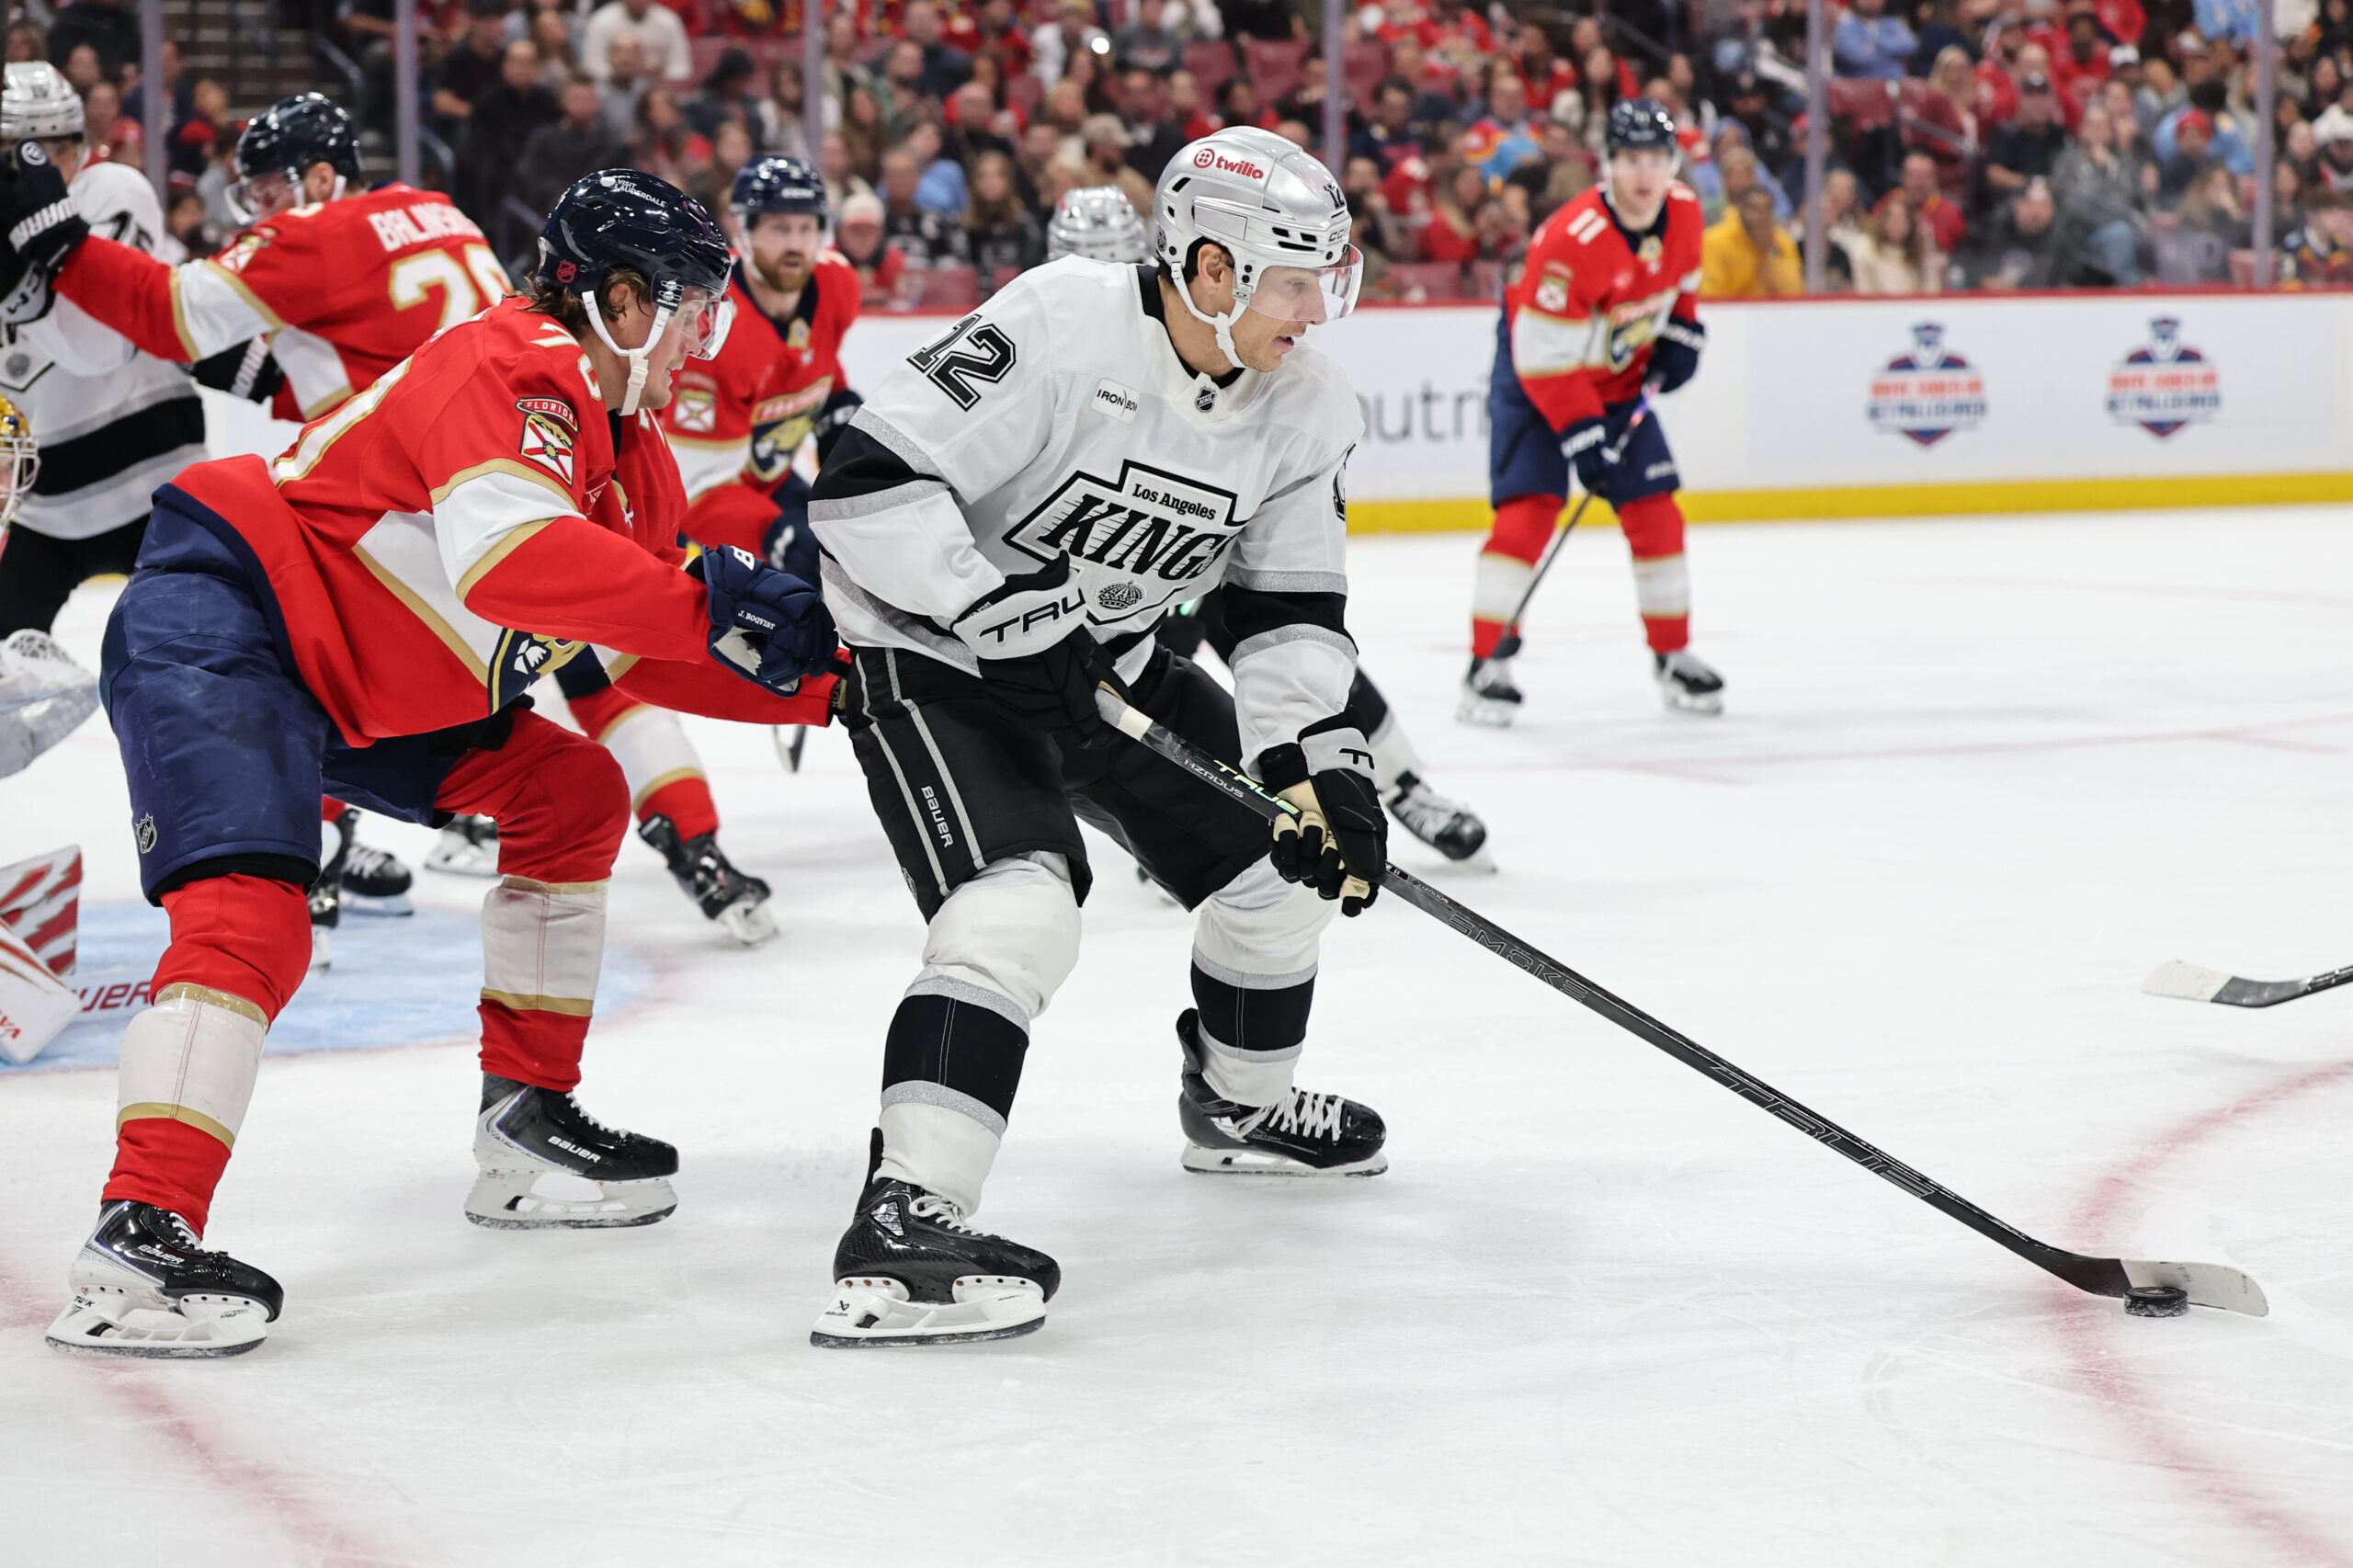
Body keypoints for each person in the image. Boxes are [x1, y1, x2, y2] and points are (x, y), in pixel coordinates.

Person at [35, 170, 840, 1358]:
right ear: (621, 300)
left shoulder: (635, 449)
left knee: (573, 790)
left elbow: (640, 643)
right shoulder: (512, 361)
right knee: (253, 920)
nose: (702, 341)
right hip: (230, 617)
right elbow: (514, 560)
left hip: (362, 676)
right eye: (691, 309)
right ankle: (135, 1236)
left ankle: (524, 1123)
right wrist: (706, 604)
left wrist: (841, 689)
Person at [801, 128, 1381, 1346]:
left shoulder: (1307, 402)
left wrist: (1319, 766)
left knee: (1281, 870)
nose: (1314, 313)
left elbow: (1284, 609)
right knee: (1021, 904)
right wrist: (992, 612)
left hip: (1106, 666)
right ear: (1211, 270)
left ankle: (1241, 1107)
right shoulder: (1066, 323)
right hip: (940, 656)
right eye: (1293, 281)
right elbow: (862, 483)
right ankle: (907, 1220)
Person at [1048, 182, 1489, 861]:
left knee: (1283, 639)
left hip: (1190, 547)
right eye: (1088, 260)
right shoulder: (1057, 338)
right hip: (1101, 579)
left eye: (1117, 258)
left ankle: (1402, 784)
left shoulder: (1179, 326)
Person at [1463, 99, 1722, 725]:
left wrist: (1682, 334)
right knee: (1528, 516)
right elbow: (1543, 355)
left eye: (1656, 159)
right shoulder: (1569, 241)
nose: (1644, 173)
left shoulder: (1686, 212)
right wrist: (1582, 437)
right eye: (1631, 159)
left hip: (1620, 378)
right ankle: (1486, 663)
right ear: (1608, 164)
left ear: (1673, 164)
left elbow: (1680, 288)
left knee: (1658, 514)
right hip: (1538, 380)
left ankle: (1673, 653)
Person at [0, 63, 204, 640]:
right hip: (46, 498)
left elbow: (101, 347)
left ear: (73, 147)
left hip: (155, 483)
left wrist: (21, 271)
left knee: (190, 665)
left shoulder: (112, 189)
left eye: (33, 155)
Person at [1701, 184, 1802, 297]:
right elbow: (1709, 294)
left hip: (1769, 312)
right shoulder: (1716, 241)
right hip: (1729, 311)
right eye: (1754, 208)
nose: (1760, 215)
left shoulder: (1782, 242)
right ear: (1740, 209)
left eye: (1766, 209)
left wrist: (1770, 251)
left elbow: (1794, 293)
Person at [1847, 187, 1942, 291]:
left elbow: (1931, 289)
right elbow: (1864, 287)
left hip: (1912, 306)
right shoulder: (1867, 248)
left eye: (1902, 219)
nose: (1897, 225)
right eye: (1893, 218)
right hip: (1875, 305)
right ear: (1883, 220)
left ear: (1910, 224)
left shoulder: (1920, 251)